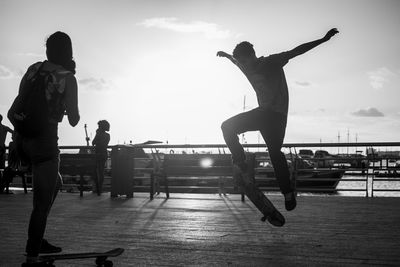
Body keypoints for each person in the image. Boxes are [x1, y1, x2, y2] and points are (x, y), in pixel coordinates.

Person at [217, 28, 339, 213]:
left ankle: (277, 186)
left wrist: (323, 40)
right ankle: (283, 191)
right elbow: (236, 62)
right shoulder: (244, 64)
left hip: (274, 116)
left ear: (252, 55)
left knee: (273, 153)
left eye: (245, 61)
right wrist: (227, 56)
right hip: (267, 116)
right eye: (241, 62)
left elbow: (297, 51)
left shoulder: (271, 62)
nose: (244, 66)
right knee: (229, 129)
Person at [11, 32, 80, 266]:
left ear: (48, 50)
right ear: (68, 51)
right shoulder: (67, 77)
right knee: (41, 204)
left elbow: (20, 100)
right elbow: (73, 119)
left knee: (56, 184)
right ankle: (32, 253)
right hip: (44, 143)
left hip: (22, 141)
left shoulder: (34, 69)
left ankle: (38, 237)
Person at [92, 120, 110, 195]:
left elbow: (93, 142)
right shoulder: (107, 135)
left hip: (98, 154)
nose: (98, 127)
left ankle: (98, 188)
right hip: (104, 154)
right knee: (101, 171)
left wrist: (97, 133)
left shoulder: (99, 134)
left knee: (97, 171)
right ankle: (100, 188)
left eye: (99, 126)